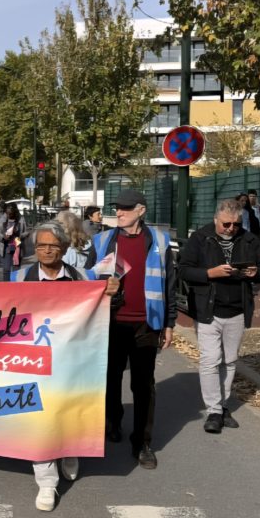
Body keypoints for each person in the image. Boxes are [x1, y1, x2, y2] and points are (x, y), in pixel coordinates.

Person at [9, 222, 112, 511]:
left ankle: (69, 450)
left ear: (65, 248)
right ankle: (47, 482)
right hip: (33, 359)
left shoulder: (83, 277)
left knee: (69, 409)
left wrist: (112, 292)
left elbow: (104, 310)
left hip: (73, 358)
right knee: (38, 417)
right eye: (41, 245)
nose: (46, 251)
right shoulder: (19, 277)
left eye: (53, 245)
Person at [91, 189, 176, 470]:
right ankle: (112, 422)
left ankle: (142, 442)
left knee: (143, 385)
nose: (119, 212)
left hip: (147, 323)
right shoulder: (102, 240)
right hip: (111, 322)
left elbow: (169, 284)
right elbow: (87, 281)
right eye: (117, 207)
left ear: (141, 210)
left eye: (126, 208)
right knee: (110, 378)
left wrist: (169, 323)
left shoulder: (160, 241)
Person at [178, 199, 260, 433]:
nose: (231, 229)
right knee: (210, 360)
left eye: (235, 224)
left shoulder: (248, 239)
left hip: (237, 309)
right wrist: (210, 273)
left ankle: (222, 405)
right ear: (215, 220)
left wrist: (255, 272)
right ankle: (214, 410)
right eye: (226, 224)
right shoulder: (200, 238)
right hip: (208, 309)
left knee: (229, 360)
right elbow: (184, 270)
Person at [0, 203, 26, 282]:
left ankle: (15, 286)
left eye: (10, 213)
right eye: (7, 213)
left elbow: (26, 232)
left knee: (16, 269)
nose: (9, 215)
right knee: (6, 268)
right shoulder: (3, 218)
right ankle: (6, 286)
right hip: (6, 245)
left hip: (17, 243)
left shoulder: (21, 219)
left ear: (15, 212)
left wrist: (18, 233)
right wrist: (3, 237)